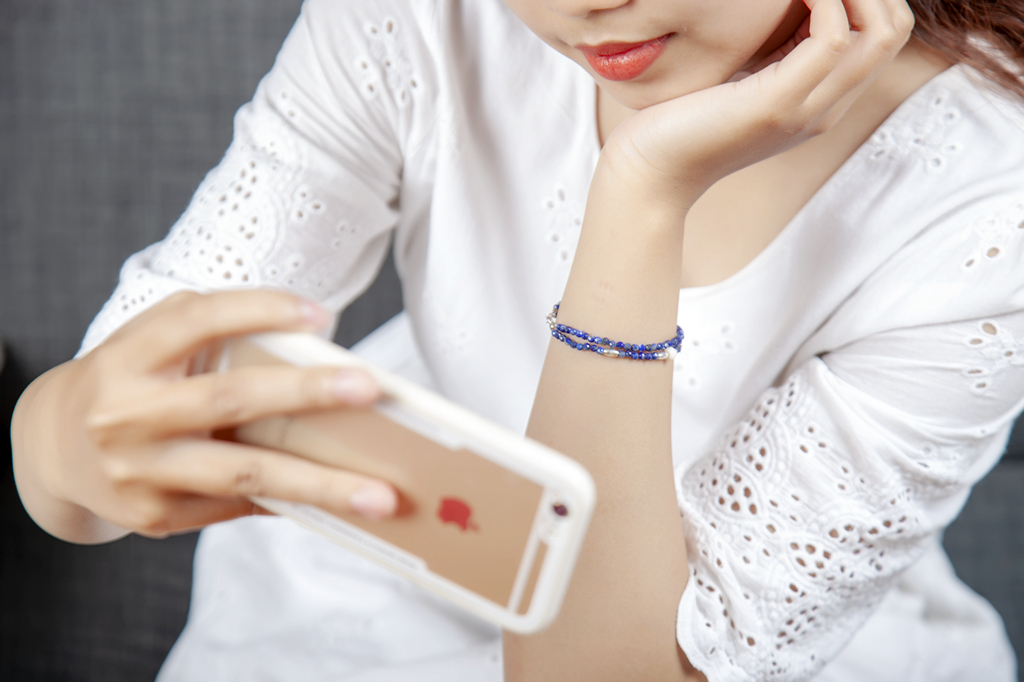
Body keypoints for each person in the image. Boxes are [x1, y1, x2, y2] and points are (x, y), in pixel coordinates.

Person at [10, 0, 1024, 679]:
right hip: (388, 551)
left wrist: (640, 198)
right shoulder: (422, 18)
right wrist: (58, 440)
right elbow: (111, 431)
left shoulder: (990, 206)